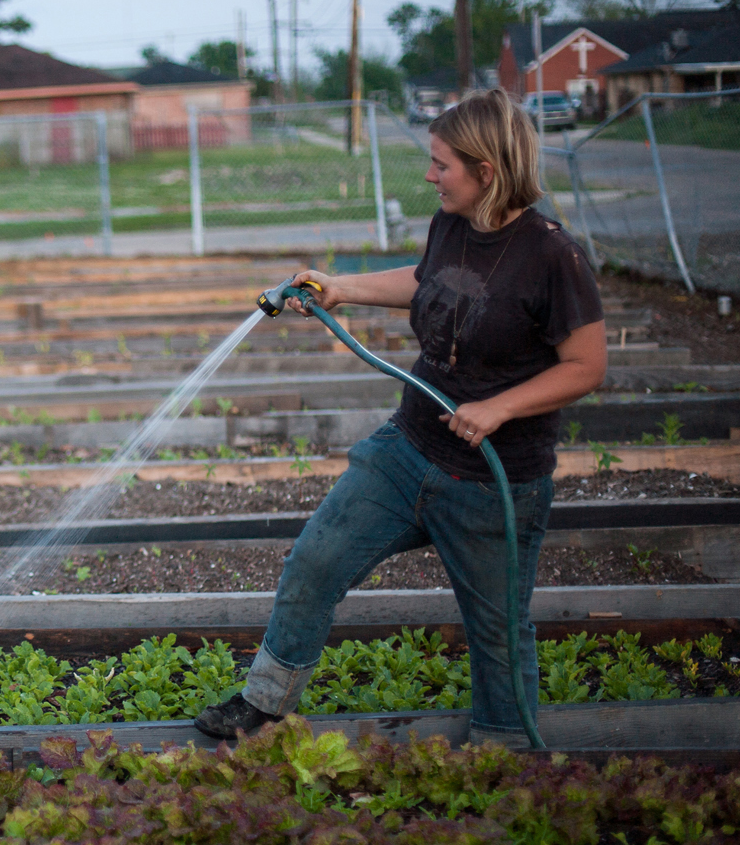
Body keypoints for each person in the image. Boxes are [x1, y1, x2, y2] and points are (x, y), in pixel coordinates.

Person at [194, 89, 607, 747]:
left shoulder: (553, 256)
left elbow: (584, 365)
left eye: (441, 164)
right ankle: (265, 705)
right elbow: (430, 279)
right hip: (406, 449)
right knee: (314, 562)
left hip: (491, 481)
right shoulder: (453, 223)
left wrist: (497, 407)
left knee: (497, 631)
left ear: (487, 170)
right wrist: (343, 287)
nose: (428, 175)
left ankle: (502, 752)